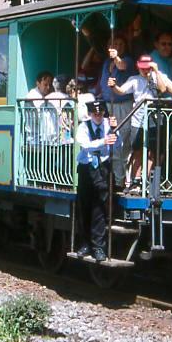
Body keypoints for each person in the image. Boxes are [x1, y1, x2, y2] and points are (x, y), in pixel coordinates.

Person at [109, 55, 172, 190]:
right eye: (143, 68)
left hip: (154, 120)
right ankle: (135, 181)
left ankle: (144, 179)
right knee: (137, 150)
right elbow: (121, 91)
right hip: (138, 120)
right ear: (138, 67)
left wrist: (156, 71)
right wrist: (114, 86)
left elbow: (163, 89)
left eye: (147, 68)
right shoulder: (134, 80)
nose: (145, 71)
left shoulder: (158, 76)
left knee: (152, 152)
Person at [75, 99, 119, 262]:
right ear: (90, 114)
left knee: (100, 208)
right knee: (84, 206)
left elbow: (118, 145)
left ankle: (98, 247)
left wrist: (115, 131)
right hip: (87, 169)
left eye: (100, 113)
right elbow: (85, 145)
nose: (98, 116)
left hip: (103, 168)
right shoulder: (83, 126)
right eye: (95, 113)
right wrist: (103, 141)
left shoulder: (109, 125)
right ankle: (85, 244)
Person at [97, 36, 136, 187]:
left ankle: (121, 181)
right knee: (111, 141)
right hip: (108, 105)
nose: (117, 46)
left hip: (122, 105)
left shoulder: (127, 59)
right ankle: (113, 178)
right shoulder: (107, 62)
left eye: (120, 44)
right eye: (114, 44)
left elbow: (122, 66)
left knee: (122, 141)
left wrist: (117, 57)